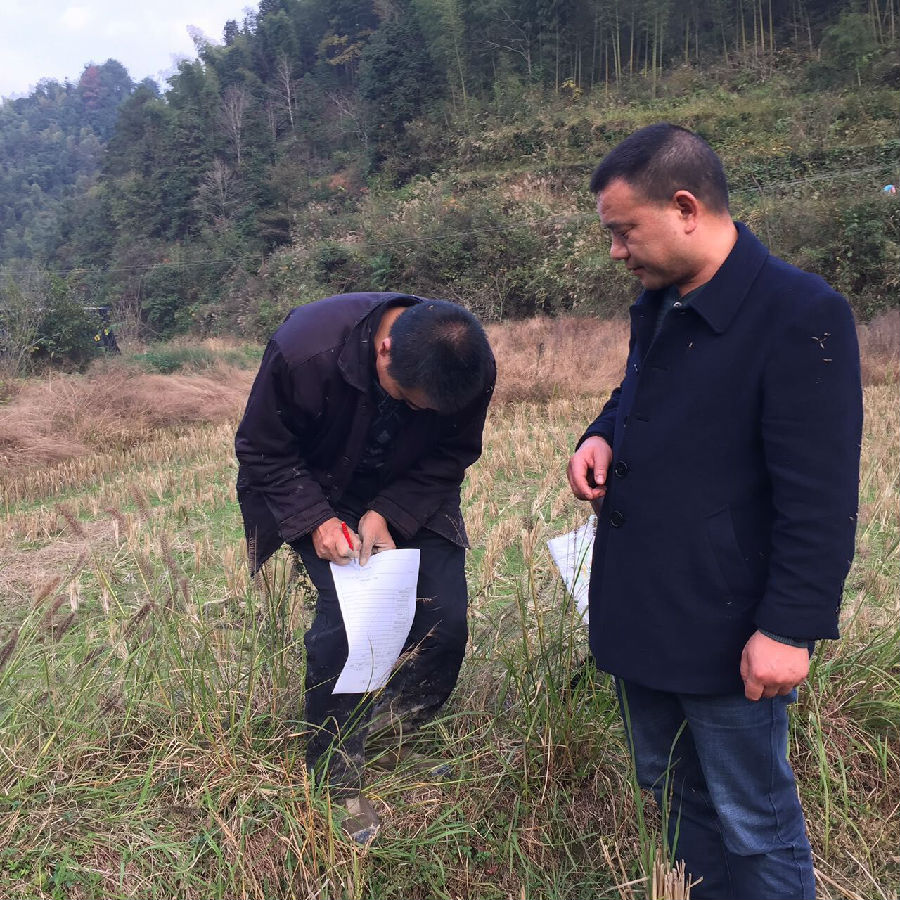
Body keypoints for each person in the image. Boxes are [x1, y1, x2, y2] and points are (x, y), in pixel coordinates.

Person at [566, 124, 862, 899]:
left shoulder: (799, 313)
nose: (616, 252)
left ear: (686, 208)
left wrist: (788, 629)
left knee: (756, 824)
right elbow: (642, 389)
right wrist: (600, 434)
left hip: (730, 626)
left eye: (624, 231)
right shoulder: (663, 300)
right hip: (645, 609)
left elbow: (822, 496)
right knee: (677, 799)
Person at [235, 291, 495, 835]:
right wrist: (316, 520)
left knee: (444, 618)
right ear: (383, 351)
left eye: (431, 411)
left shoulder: (466, 368)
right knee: (351, 625)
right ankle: (335, 771)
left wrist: (389, 512)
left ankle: (398, 728)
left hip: (410, 487)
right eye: (410, 401)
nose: (422, 413)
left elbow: (452, 453)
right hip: (319, 485)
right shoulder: (304, 350)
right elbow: (263, 450)